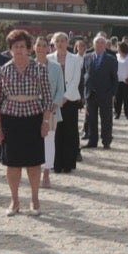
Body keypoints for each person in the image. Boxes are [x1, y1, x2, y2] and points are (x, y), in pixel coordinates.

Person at [0, 30, 53, 216]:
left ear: (28, 49)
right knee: (13, 163)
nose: (19, 50)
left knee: (33, 163)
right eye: (15, 46)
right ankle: (15, 200)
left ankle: (35, 199)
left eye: (22, 46)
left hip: (33, 119)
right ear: (10, 49)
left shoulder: (40, 69)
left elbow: (48, 99)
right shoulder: (2, 71)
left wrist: (45, 122)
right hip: (10, 120)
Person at [33, 36, 64, 188]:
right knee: (33, 142)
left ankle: (46, 174)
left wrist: (53, 106)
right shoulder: (28, 65)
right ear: (34, 47)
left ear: (48, 48)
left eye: (44, 45)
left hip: (50, 110)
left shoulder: (56, 67)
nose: (40, 48)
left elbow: (60, 90)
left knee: (49, 142)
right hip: (31, 110)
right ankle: (34, 172)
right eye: (38, 45)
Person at [51, 32, 83, 173]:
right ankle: (56, 163)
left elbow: (76, 80)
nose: (60, 43)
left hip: (70, 100)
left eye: (63, 41)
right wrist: (56, 98)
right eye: (57, 41)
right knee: (56, 131)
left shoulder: (75, 59)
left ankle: (68, 163)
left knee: (70, 131)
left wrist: (64, 97)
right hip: (53, 100)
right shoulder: (49, 58)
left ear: (67, 43)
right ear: (54, 43)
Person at [82, 34, 117, 149]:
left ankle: (106, 141)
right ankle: (92, 140)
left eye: (102, 43)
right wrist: (83, 93)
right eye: (97, 42)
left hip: (105, 93)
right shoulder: (87, 57)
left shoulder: (111, 59)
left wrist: (113, 93)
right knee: (91, 118)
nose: (99, 45)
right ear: (93, 44)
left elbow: (114, 78)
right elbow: (84, 75)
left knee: (106, 119)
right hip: (91, 93)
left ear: (105, 45)